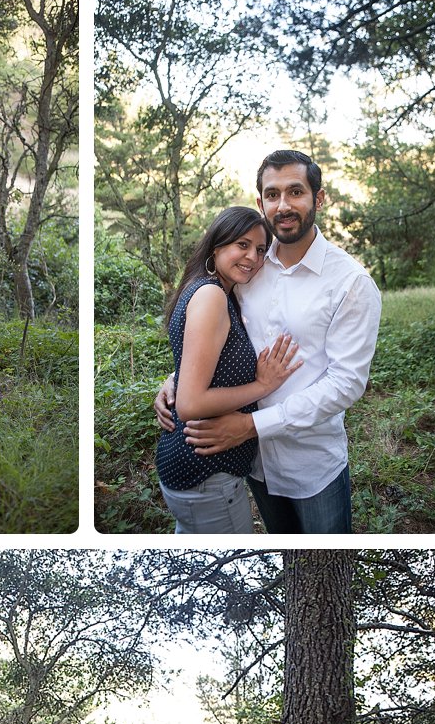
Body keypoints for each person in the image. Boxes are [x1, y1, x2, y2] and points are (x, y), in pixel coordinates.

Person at [155, 149, 382, 533]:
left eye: (296, 191)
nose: (284, 205)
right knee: (285, 556)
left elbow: (346, 383)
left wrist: (252, 425)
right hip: (254, 463)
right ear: (261, 202)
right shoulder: (250, 266)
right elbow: (217, 339)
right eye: (273, 195)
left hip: (312, 464)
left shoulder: (351, 283)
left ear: (318, 198)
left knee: (321, 560)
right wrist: (177, 380)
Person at [156, 206, 302, 533]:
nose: (252, 256)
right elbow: (190, 404)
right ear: (217, 245)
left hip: (191, 470)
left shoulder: (212, 289)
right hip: (207, 475)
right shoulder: (211, 296)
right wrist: (263, 386)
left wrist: (175, 378)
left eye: (261, 249)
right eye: (242, 244)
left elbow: (198, 361)